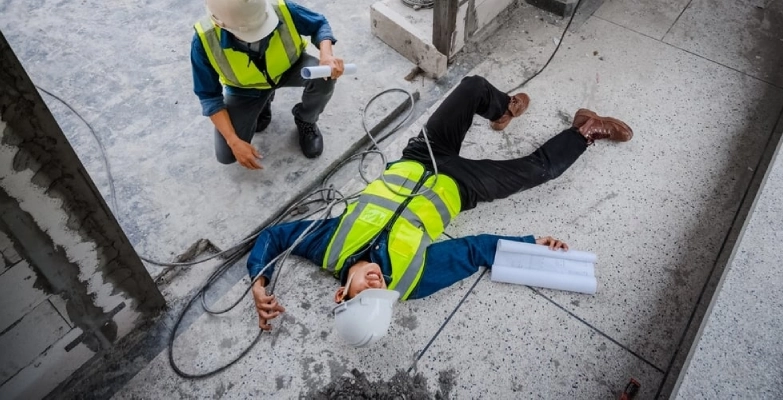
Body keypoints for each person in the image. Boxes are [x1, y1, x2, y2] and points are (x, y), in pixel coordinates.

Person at [247, 75, 633, 346]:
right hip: (463, 185)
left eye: (365, 293)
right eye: (381, 298)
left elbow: (274, 236)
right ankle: (585, 129)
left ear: (340, 295)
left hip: (422, 154)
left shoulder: (326, 246)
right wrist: (531, 243)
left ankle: (503, 108)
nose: (378, 286)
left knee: (473, 87)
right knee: (539, 170)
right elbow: (475, 251)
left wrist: (257, 283)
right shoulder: (413, 282)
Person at [191, 0, 344, 168]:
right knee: (226, 154)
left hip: (291, 67)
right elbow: (209, 96)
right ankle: (263, 102)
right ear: (219, 24)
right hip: (246, 90)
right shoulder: (205, 40)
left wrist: (326, 55)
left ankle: (306, 120)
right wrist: (233, 141)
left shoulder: (280, 8)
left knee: (324, 77)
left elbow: (319, 24)